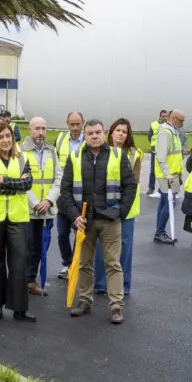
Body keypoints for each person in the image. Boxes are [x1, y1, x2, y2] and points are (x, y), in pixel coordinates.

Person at [60, 119, 137, 324]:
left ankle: (116, 306)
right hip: (84, 221)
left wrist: (121, 211)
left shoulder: (118, 155)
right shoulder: (75, 157)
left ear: (105, 134)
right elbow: (65, 190)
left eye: (98, 132)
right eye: (90, 133)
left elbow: (131, 185)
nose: (94, 136)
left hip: (110, 218)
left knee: (113, 263)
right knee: (85, 263)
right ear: (85, 135)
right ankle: (84, 301)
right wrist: (74, 216)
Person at [0, 121, 36, 322]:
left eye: (8, 136)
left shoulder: (23, 158)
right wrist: (16, 183)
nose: (5, 140)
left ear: (13, 138)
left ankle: (20, 308)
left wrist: (3, 180)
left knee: (19, 262)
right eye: (0, 137)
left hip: (18, 217)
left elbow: (27, 184)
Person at [94, 118, 143, 296]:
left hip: (127, 207)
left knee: (125, 247)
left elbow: (135, 182)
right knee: (102, 245)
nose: (121, 134)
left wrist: (124, 204)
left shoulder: (135, 154)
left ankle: (123, 285)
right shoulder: (101, 151)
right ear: (111, 133)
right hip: (105, 206)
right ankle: (100, 283)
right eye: (118, 130)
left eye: (124, 131)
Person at [20, 116, 62, 296]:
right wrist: (36, 203)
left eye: (43, 129)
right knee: (26, 247)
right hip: (28, 209)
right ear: (29, 130)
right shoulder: (20, 151)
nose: (41, 132)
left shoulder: (51, 151)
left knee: (39, 247)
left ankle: (31, 281)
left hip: (47, 209)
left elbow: (58, 177)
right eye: (37, 128)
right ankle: (21, 281)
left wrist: (49, 200)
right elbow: (19, 179)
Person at [54, 111, 85, 279]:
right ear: (67, 124)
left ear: (83, 123)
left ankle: (76, 264)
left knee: (79, 233)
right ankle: (67, 263)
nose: (75, 128)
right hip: (63, 194)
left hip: (82, 195)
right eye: (71, 124)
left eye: (78, 124)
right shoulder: (59, 140)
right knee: (62, 234)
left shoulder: (89, 140)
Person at [153, 109, 185, 244]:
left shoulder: (172, 132)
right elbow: (161, 156)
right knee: (170, 202)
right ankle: (160, 232)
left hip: (171, 173)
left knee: (165, 201)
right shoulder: (166, 132)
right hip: (168, 175)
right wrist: (168, 174)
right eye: (181, 120)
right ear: (174, 119)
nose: (183, 123)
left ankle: (159, 231)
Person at [147, 110, 169, 195]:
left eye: (166, 116)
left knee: (164, 170)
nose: (164, 118)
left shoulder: (169, 125)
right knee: (153, 170)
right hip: (154, 151)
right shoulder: (153, 124)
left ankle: (163, 188)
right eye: (163, 116)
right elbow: (149, 136)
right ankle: (151, 188)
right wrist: (154, 145)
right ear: (160, 116)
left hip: (165, 152)